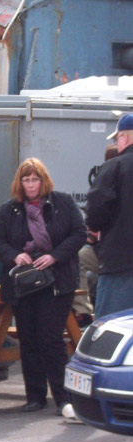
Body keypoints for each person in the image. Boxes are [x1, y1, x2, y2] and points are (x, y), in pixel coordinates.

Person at [0, 158, 85, 414]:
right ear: (19, 182)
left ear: (43, 181)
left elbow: (79, 233)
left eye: (35, 179)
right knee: (29, 339)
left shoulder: (62, 202)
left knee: (51, 339)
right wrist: (14, 255)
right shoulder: (10, 209)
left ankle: (64, 398)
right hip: (24, 283)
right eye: (26, 179)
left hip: (57, 282)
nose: (31, 184)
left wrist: (54, 255)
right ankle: (35, 397)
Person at [86, 113, 133, 318]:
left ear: (125, 137)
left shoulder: (114, 167)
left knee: (111, 327)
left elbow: (96, 212)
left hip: (120, 264)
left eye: (117, 138)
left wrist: (94, 226)